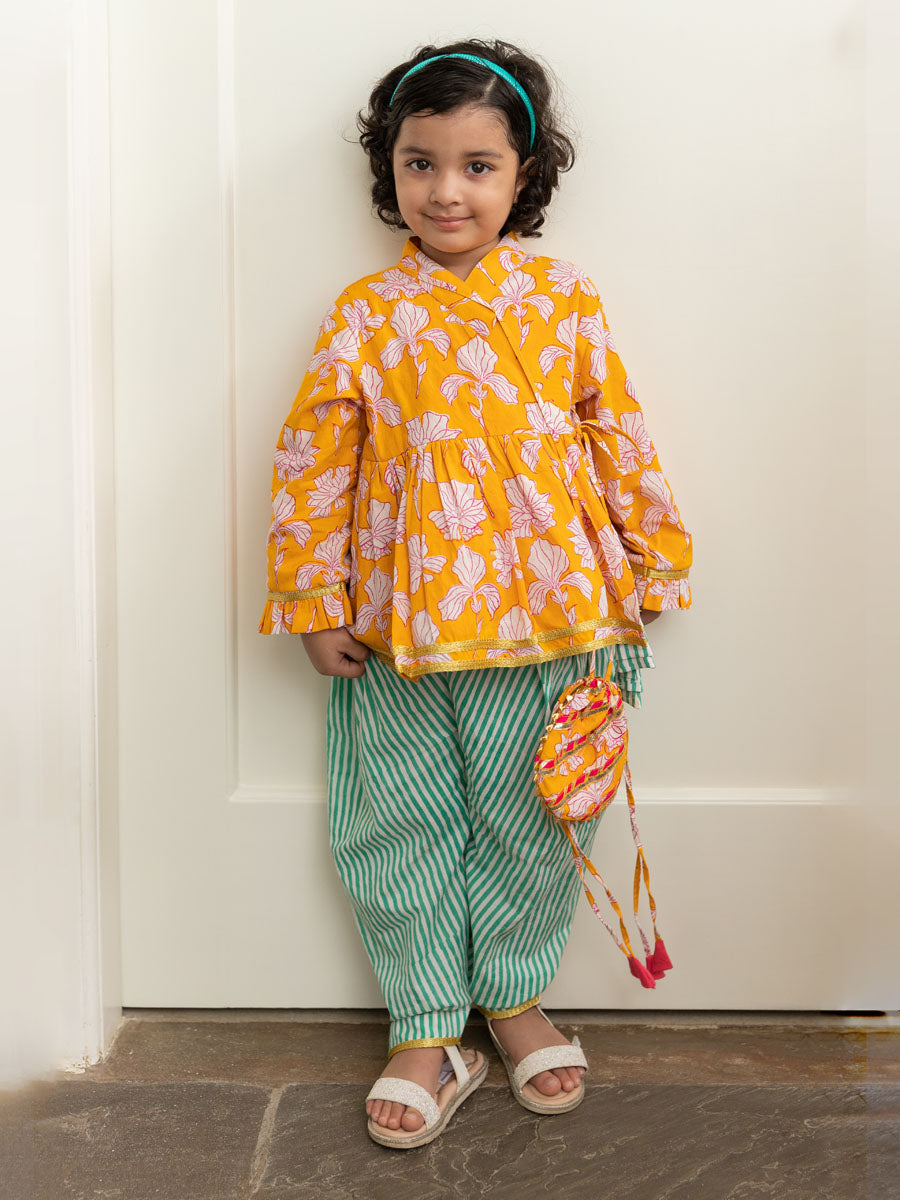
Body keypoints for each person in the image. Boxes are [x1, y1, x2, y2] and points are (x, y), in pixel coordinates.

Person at [259, 38, 693, 1149]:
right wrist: (312, 598)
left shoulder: (562, 297)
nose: (446, 190)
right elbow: (315, 459)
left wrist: (653, 558)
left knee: (533, 814)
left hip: (551, 617)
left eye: (477, 165)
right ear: (390, 169)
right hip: (396, 631)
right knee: (394, 819)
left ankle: (513, 997)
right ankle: (424, 1025)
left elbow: (615, 429)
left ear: (523, 174)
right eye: (421, 163)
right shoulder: (366, 312)